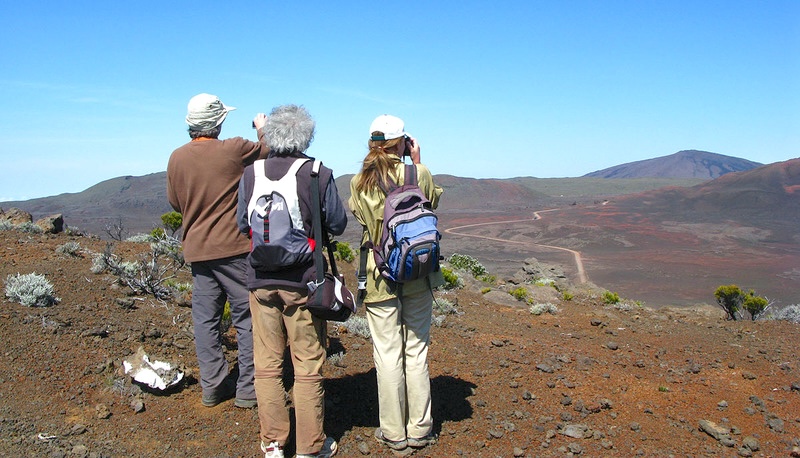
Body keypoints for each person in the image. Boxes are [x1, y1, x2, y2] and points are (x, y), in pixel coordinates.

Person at [237, 104, 346, 458]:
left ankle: (273, 443)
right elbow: (338, 224)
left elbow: (243, 224)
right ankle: (310, 448)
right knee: (308, 367)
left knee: (267, 367)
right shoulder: (316, 172)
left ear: (269, 134)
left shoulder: (251, 172)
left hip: (260, 282)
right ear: (306, 135)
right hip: (305, 284)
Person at [348, 114, 444, 453]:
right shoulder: (420, 174)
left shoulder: (359, 182)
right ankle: (420, 430)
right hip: (418, 273)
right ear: (402, 142)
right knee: (416, 351)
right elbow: (431, 207)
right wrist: (416, 165)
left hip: (380, 276)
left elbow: (361, 219)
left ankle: (393, 433)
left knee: (387, 355)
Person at [167, 93, 268, 409]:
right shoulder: (234, 148)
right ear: (219, 121)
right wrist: (262, 127)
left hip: (198, 250)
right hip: (235, 248)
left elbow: (174, 202)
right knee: (247, 317)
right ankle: (248, 390)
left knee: (205, 320)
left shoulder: (176, 158)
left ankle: (212, 387)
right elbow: (268, 150)